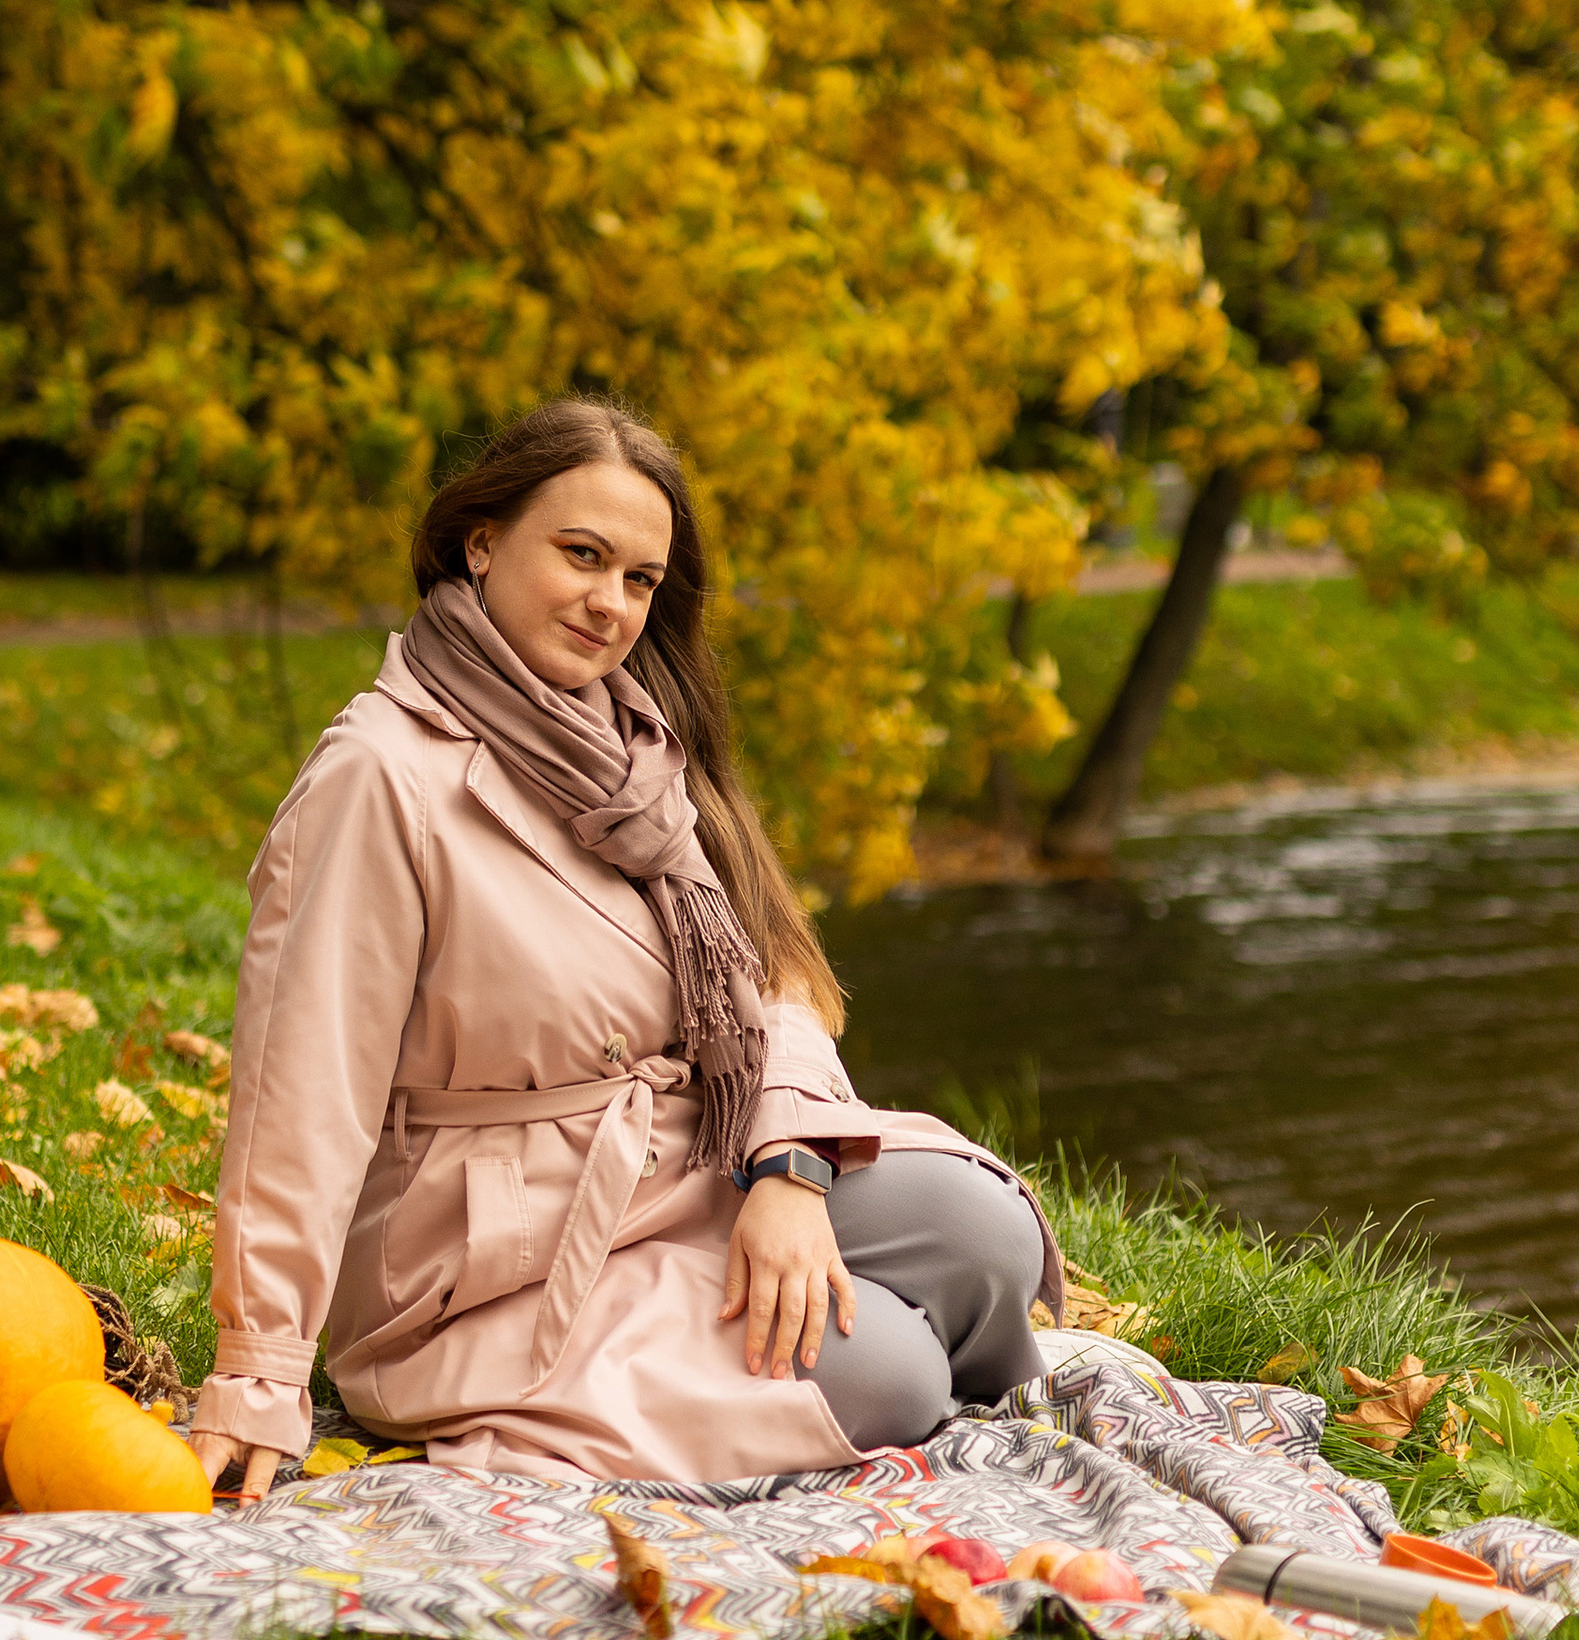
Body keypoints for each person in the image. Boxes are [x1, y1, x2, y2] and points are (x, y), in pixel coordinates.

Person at [187, 398, 1063, 1493]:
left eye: (639, 579)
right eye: (581, 555)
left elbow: (766, 978)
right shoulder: (379, 775)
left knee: (983, 1234)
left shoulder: (639, 741)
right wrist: (258, 1375)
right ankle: (821, 1365)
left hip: (692, 1160)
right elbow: (299, 1093)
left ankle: (815, 1337)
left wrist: (786, 1166)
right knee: (888, 1377)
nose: (609, 605)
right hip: (489, 1256)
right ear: (482, 540)